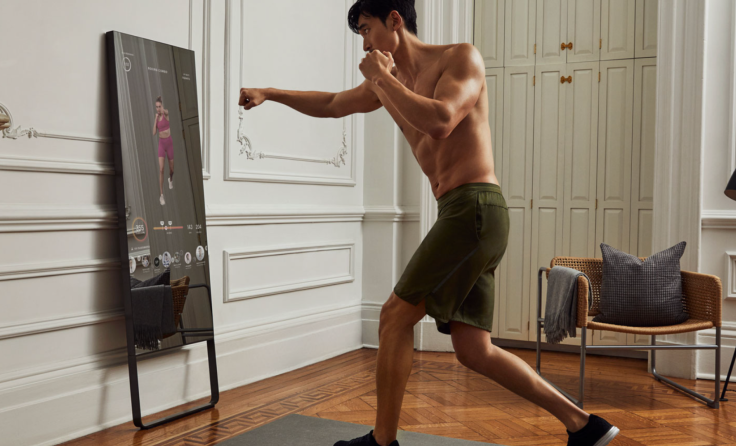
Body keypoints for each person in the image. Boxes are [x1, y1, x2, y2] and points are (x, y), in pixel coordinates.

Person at [237, 1, 620, 445]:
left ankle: (382, 442)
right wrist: (270, 92)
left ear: (394, 21)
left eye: (366, 30)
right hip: (461, 213)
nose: (363, 44)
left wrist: (380, 79)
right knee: (474, 350)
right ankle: (583, 424)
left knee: (393, 317)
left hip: (475, 207)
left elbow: (441, 120)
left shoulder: (459, 58)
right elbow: (333, 104)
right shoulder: (390, 83)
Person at [153, 96, 174, 205]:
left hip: (169, 143)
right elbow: (153, 133)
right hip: (161, 144)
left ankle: (170, 179)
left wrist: (162, 110)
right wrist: (155, 119)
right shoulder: (156, 118)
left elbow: (166, 111)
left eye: (159, 106)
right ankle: (161, 195)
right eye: (156, 107)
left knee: (171, 169)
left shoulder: (166, 113)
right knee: (161, 169)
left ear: (162, 106)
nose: (158, 109)